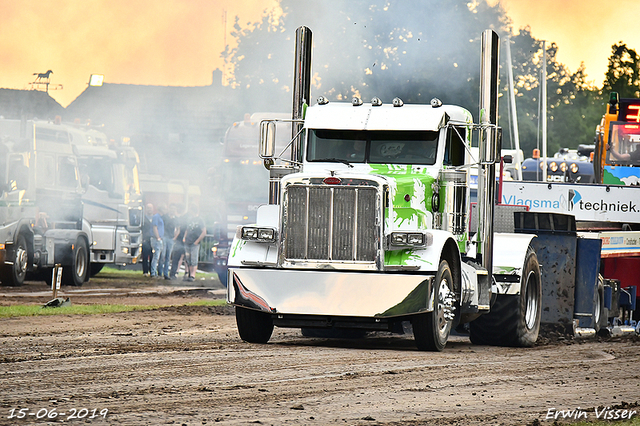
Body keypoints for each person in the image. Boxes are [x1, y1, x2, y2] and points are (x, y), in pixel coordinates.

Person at [182, 205, 206, 282]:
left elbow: (204, 232)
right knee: (188, 259)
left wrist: (197, 241)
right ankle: (189, 274)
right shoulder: (190, 219)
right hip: (187, 242)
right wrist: (184, 237)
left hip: (195, 243)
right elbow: (187, 229)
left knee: (193, 259)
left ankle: (193, 275)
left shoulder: (200, 220)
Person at [159, 204, 178, 280]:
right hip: (164, 237)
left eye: (174, 209)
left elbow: (178, 228)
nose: (172, 210)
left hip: (170, 238)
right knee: (162, 255)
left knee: (168, 257)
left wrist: (174, 238)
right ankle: (160, 273)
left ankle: (166, 273)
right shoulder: (164, 217)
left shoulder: (176, 219)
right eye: (171, 208)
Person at [170, 205, 188, 279]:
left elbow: (179, 230)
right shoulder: (178, 219)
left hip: (180, 240)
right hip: (179, 241)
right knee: (176, 258)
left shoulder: (183, 219)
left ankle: (176, 273)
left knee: (181, 258)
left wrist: (175, 238)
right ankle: (173, 273)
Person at [149, 205, 165, 278]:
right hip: (156, 239)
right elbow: (155, 227)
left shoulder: (159, 217)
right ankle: (153, 272)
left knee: (158, 256)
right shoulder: (156, 217)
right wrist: (158, 237)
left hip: (159, 238)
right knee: (156, 256)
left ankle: (154, 272)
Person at [141, 203, 154, 276]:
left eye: (151, 208)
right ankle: (145, 271)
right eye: (148, 208)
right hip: (145, 239)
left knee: (152, 256)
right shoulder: (143, 218)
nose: (150, 209)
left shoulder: (155, 218)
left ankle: (152, 271)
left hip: (153, 239)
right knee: (145, 256)